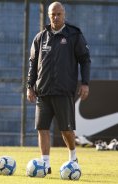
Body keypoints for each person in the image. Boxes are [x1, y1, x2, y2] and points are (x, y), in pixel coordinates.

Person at [26, 1, 91, 174]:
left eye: (58, 14)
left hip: (63, 92)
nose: (55, 17)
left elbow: (85, 59)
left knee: (66, 130)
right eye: (52, 14)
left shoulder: (74, 35)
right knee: (42, 128)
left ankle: (72, 157)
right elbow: (33, 63)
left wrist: (85, 83)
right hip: (43, 92)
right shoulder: (40, 37)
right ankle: (45, 164)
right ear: (48, 16)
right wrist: (29, 86)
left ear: (64, 15)